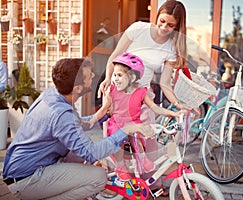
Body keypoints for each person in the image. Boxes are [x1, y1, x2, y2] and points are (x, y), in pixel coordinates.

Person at [2, 58, 155, 200]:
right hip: (27, 179)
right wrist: (126, 129)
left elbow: (76, 124)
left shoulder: (53, 94)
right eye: (89, 76)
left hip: (28, 168)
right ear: (77, 88)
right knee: (98, 177)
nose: (94, 76)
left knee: (78, 154)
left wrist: (103, 115)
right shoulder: (61, 113)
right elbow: (92, 153)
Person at [98, 1, 188, 193]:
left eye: (170, 25)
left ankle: (152, 186)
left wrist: (179, 105)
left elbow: (165, 84)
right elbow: (115, 56)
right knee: (119, 140)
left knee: (148, 141)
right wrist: (107, 79)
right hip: (120, 91)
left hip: (143, 95)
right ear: (157, 17)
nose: (164, 28)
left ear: (177, 27)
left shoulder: (171, 47)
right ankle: (116, 183)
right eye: (162, 21)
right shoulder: (138, 29)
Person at [86, 52, 181, 181]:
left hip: (134, 123)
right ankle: (120, 166)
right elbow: (104, 110)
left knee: (137, 133)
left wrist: (173, 113)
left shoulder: (141, 92)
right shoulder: (112, 91)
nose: (115, 79)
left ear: (132, 78)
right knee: (117, 138)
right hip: (117, 123)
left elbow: (155, 108)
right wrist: (92, 119)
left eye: (119, 75)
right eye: (114, 75)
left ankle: (142, 159)